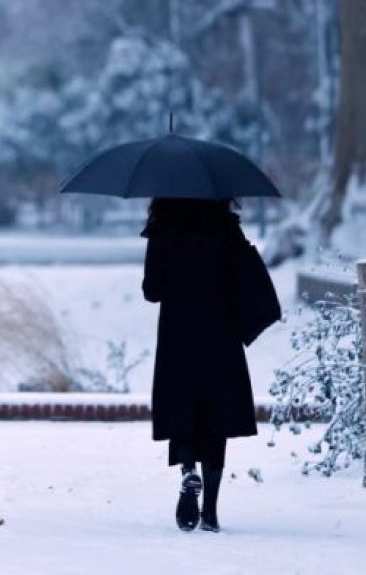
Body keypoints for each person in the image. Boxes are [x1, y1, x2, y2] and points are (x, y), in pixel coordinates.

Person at [141, 197, 265, 533]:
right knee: (216, 417)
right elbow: (243, 278)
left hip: (178, 335)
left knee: (182, 408)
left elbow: (152, 291)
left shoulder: (164, 228)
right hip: (220, 334)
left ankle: (188, 471)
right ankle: (209, 512)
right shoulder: (226, 228)